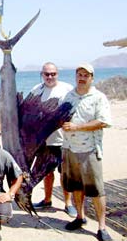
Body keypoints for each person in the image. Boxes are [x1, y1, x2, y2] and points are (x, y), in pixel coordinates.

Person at [62, 63, 112, 241]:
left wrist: (77, 127)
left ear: (92, 78)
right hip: (69, 148)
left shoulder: (99, 97)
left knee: (97, 190)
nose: (82, 77)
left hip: (89, 150)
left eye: (86, 75)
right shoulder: (69, 96)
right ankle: (80, 217)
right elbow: (60, 117)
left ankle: (102, 227)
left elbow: (103, 121)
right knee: (75, 187)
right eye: (79, 74)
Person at [31, 62, 77, 217]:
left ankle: (68, 203)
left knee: (65, 173)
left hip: (64, 140)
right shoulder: (36, 90)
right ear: (41, 74)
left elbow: (76, 111)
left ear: (57, 74)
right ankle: (47, 199)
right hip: (44, 141)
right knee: (46, 173)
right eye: (46, 74)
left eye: (53, 74)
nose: (50, 77)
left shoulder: (68, 89)